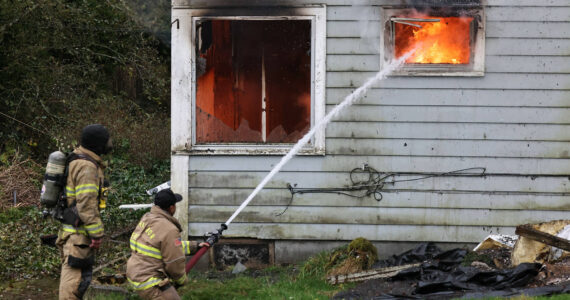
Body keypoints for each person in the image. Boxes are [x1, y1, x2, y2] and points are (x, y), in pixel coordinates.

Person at [56, 124, 113, 299]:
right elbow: (86, 205)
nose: (109, 143)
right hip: (78, 237)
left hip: (73, 234)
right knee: (73, 285)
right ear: (97, 143)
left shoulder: (78, 160)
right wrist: (97, 234)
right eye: (106, 140)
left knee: (75, 282)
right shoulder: (87, 167)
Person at [127, 189, 208, 300]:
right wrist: (182, 280)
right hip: (149, 280)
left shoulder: (148, 218)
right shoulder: (169, 229)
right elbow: (174, 262)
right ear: (171, 208)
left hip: (134, 272)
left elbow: (165, 247)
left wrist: (195, 246)